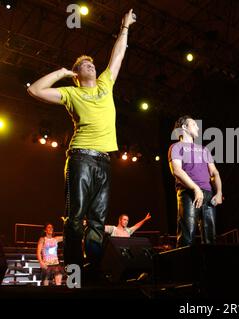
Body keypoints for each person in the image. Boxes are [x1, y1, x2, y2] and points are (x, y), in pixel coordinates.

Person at [27, 10, 136, 271]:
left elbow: (118, 55)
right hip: (81, 157)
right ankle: (74, 273)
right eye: (86, 65)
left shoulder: (104, 85)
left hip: (105, 161)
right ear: (77, 74)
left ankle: (94, 270)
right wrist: (63, 71)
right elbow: (34, 90)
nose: (92, 65)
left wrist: (124, 27)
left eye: (93, 64)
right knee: (75, 219)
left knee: (98, 220)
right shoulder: (70, 92)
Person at [168, 115, 223, 247]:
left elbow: (214, 172)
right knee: (187, 237)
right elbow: (177, 171)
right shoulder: (176, 147)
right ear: (184, 127)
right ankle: (184, 267)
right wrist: (195, 188)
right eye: (194, 124)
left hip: (208, 194)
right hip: (188, 192)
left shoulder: (204, 149)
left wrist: (219, 192)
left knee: (211, 238)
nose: (198, 127)